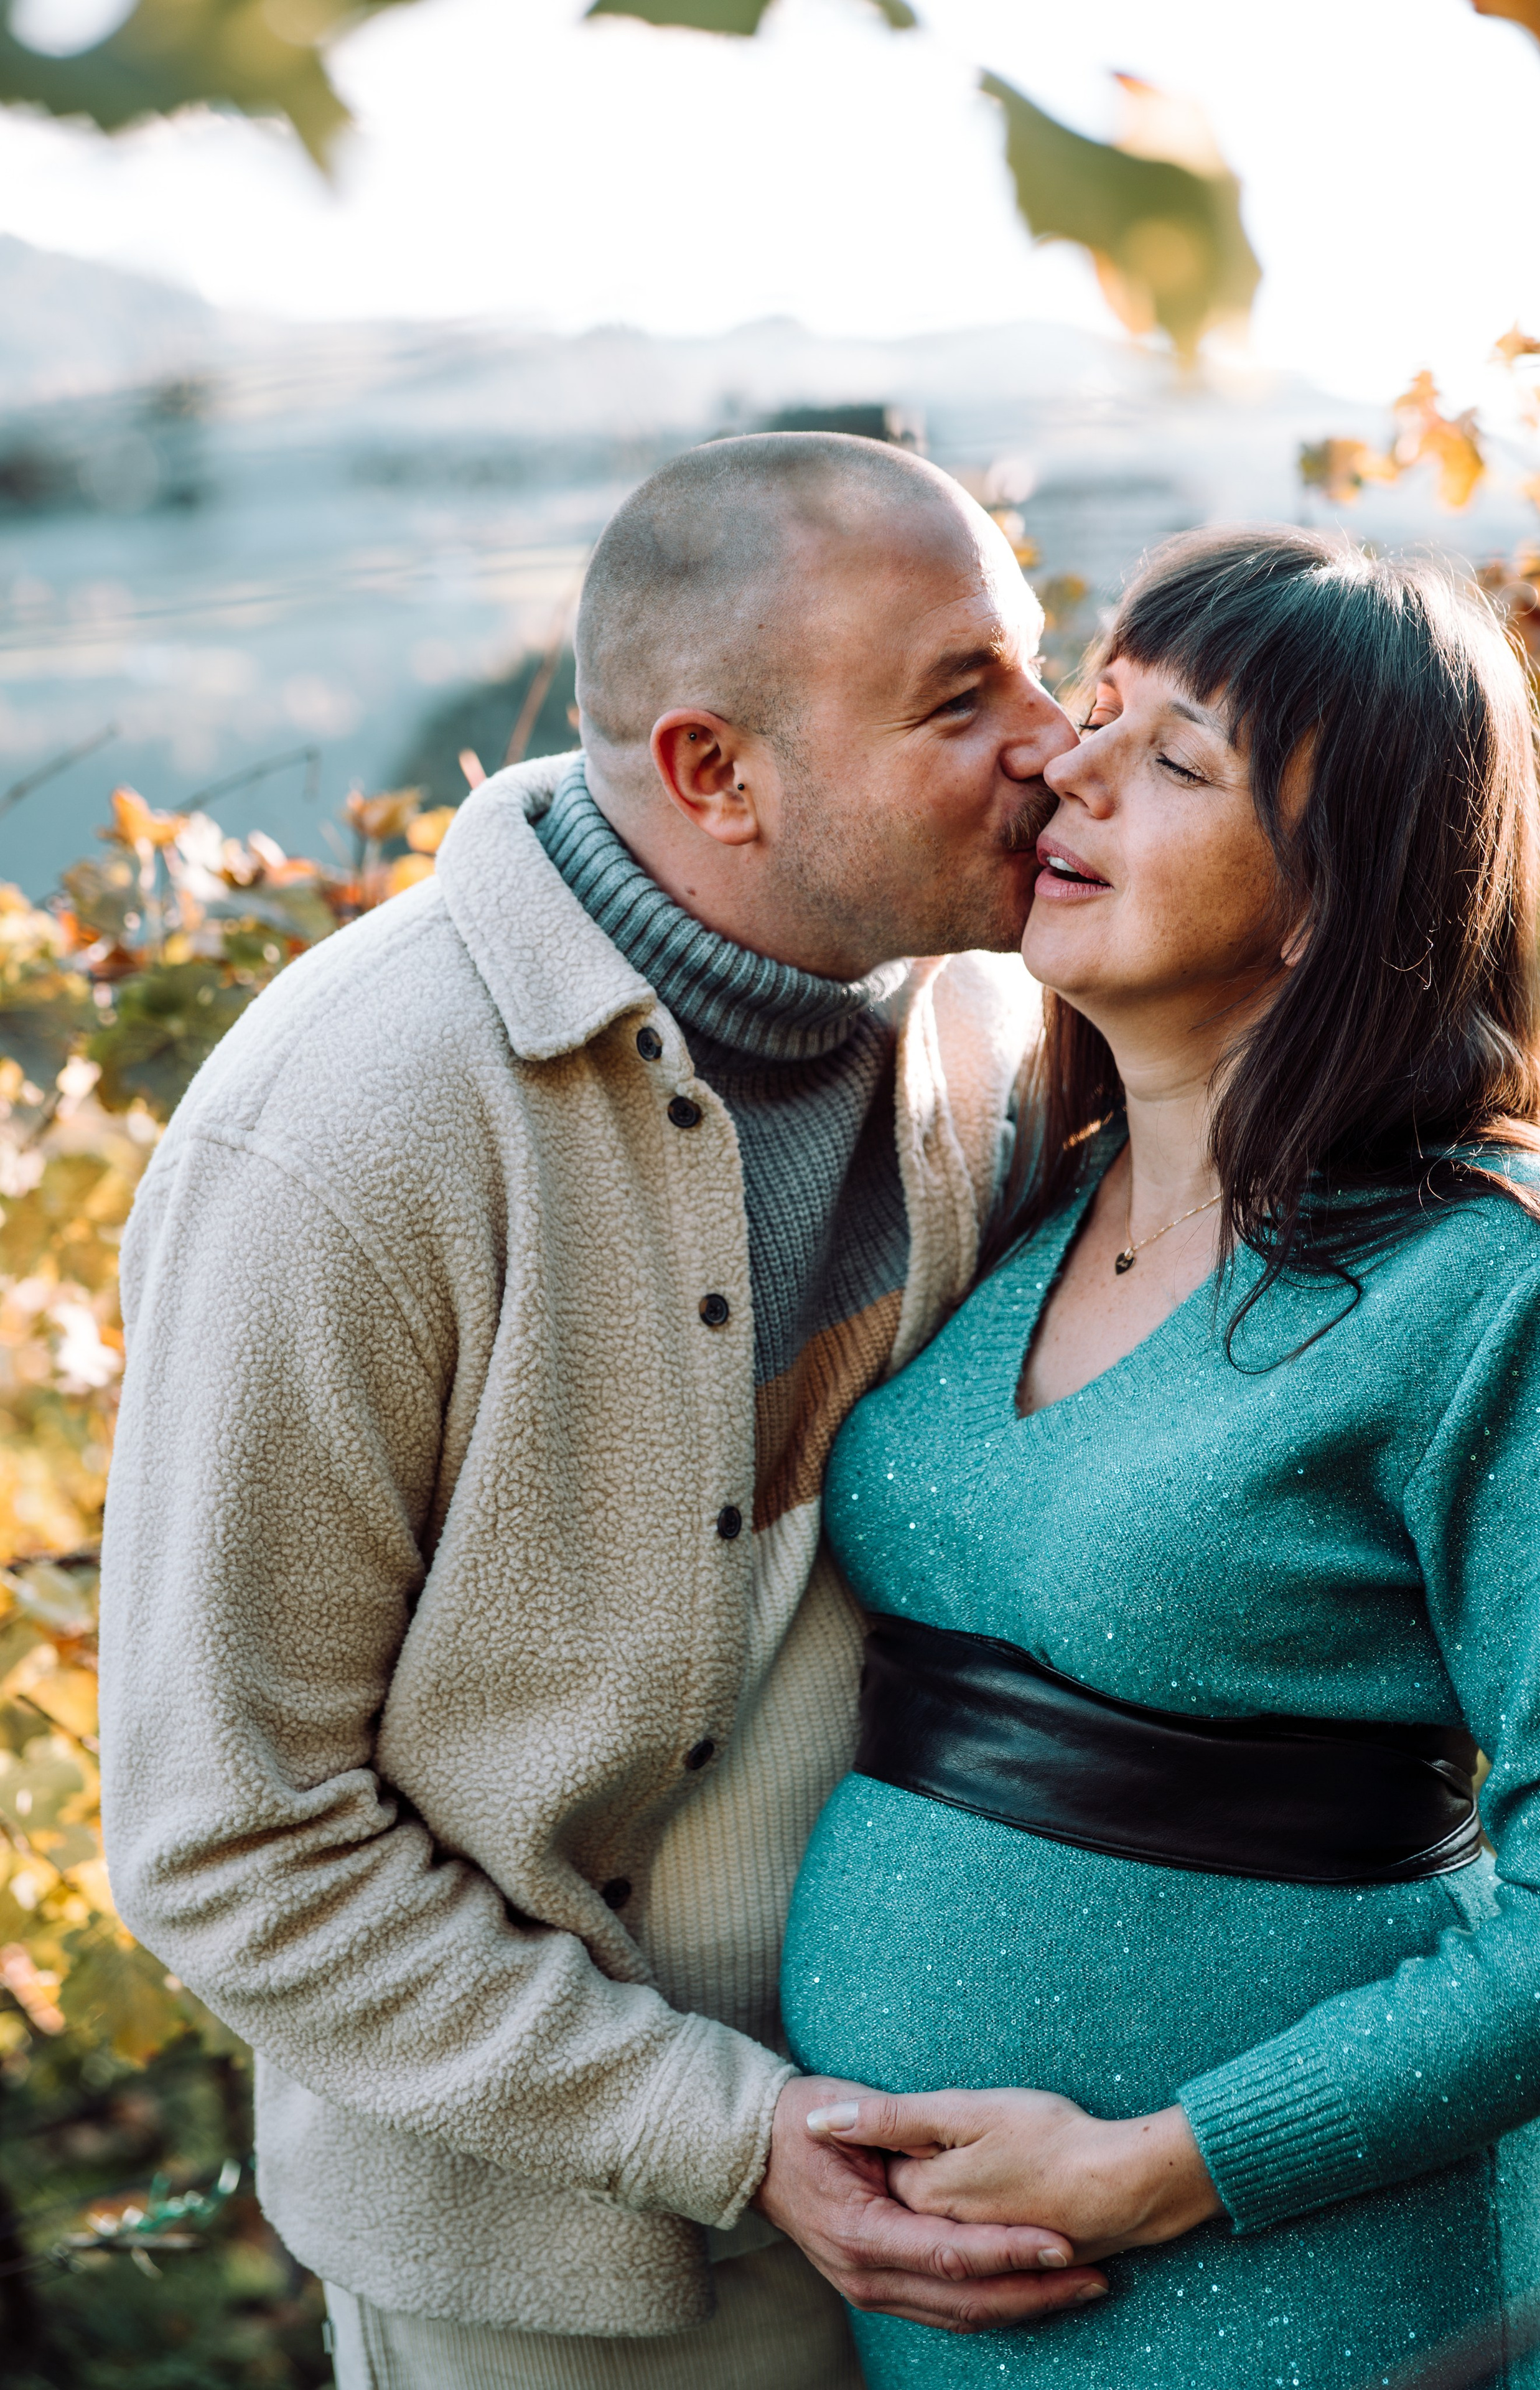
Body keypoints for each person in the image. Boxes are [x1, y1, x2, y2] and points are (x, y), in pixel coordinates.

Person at [97, 431, 1111, 2390]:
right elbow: (230, 1839)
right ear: (715, 776)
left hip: (956, 2177)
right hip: (544, 2262)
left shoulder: (980, 1025)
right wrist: (725, 2134)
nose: (1054, 739)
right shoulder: (344, 1131)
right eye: (959, 695)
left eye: (1036, 660)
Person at [783, 526, 1540, 2389]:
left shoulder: (1504, 1280)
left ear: (1330, 894)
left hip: (1300, 2284)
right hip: (945, 2294)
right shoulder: (1028, 1204)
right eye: (1098, 715)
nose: (1070, 771)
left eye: (1176, 762)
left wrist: (1164, 2171)